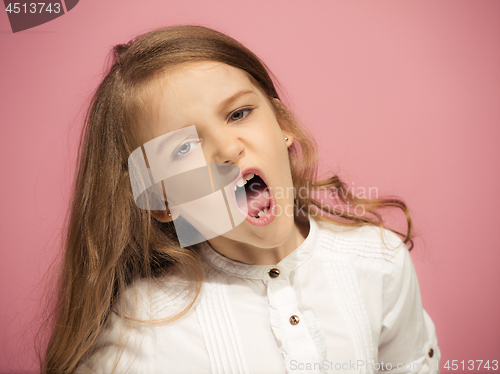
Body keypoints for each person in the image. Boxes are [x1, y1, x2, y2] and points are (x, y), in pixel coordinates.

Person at [41, 25, 440, 374]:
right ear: (161, 199)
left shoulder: (377, 263)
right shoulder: (138, 331)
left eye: (238, 114)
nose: (227, 150)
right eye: (182, 149)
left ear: (283, 126)